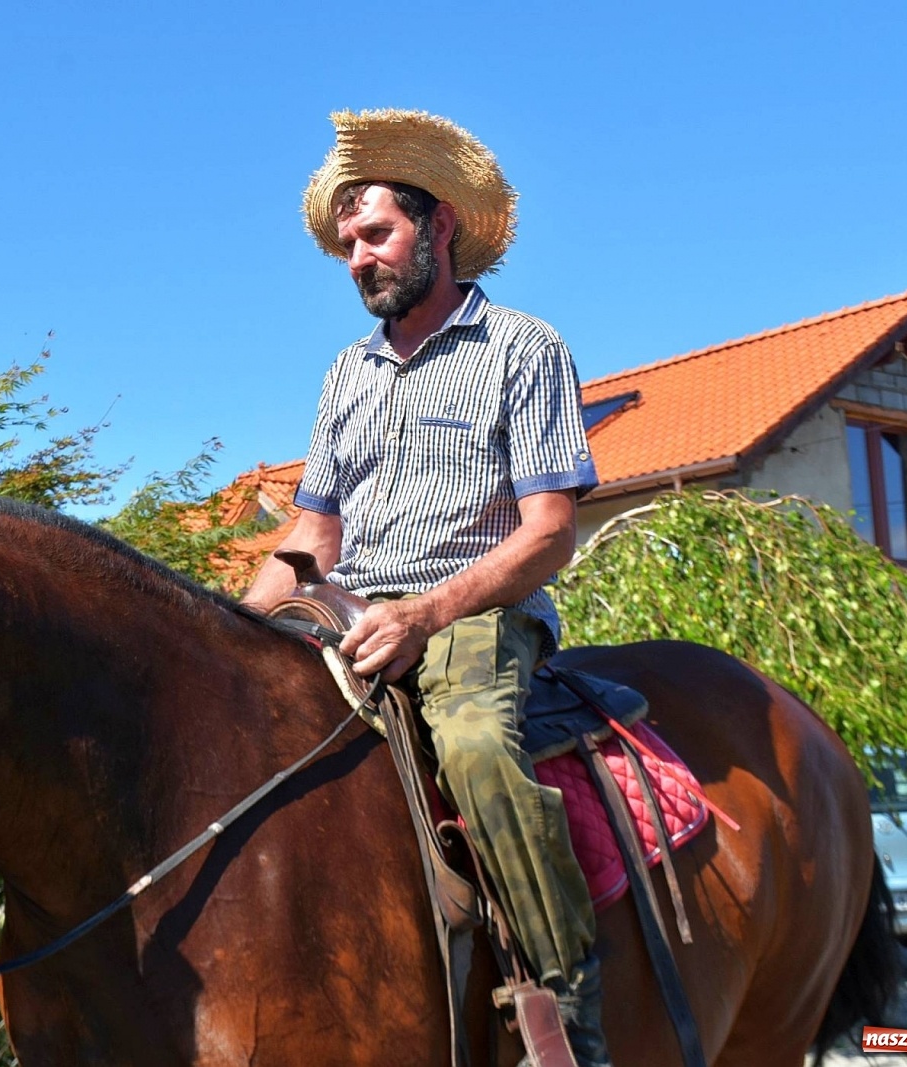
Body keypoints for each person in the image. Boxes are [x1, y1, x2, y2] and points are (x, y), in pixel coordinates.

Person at [241, 109, 608, 1066]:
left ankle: (567, 1019)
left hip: (475, 616)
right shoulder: (346, 375)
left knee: (480, 747)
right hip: (346, 611)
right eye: (346, 245)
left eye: (374, 236)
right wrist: (229, 631)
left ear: (438, 226)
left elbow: (549, 534)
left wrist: (428, 610)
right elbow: (313, 533)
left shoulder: (522, 349)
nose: (356, 259)